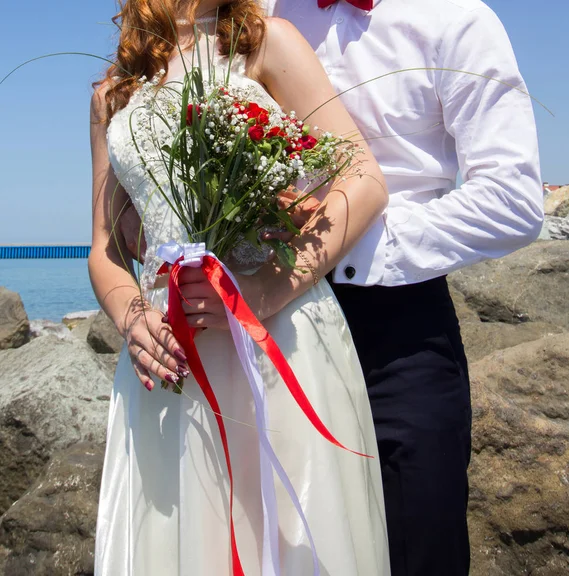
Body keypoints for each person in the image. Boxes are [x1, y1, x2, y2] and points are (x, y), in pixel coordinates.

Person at [122, 0, 545, 574]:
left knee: (417, 541)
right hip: (263, 333)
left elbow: (512, 202)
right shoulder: (256, 17)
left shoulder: (456, 17)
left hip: (395, 328)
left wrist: (331, 243)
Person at [90, 0, 392, 574]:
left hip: (278, 339)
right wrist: (132, 316)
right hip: (171, 356)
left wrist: (268, 289)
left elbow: (364, 180)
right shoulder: (112, 92)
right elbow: (105, 246)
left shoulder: (265, 44)